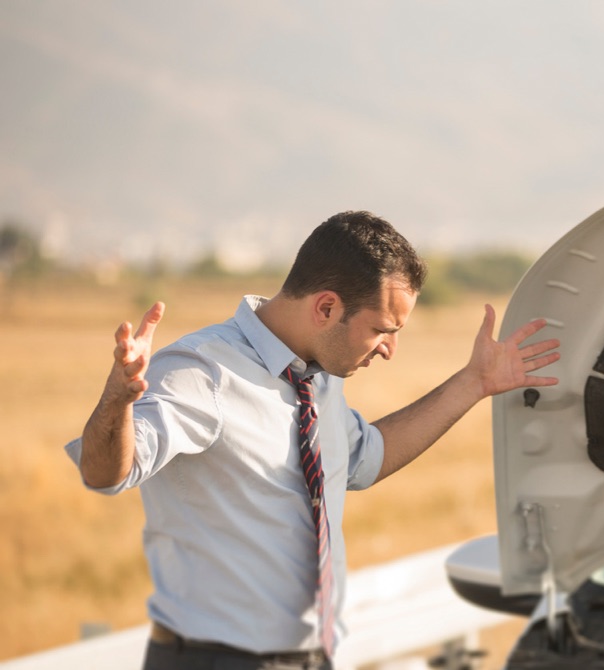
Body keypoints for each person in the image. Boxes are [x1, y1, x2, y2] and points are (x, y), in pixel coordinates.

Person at [65, 211, 560, 670]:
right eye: (383, 330)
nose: (389, 350)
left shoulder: (318, 379)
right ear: (326, 307)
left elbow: (366, 458)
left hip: (309, 658)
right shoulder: (202, 371)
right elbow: (104, 473)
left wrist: (473, 383)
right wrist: (118, 401)